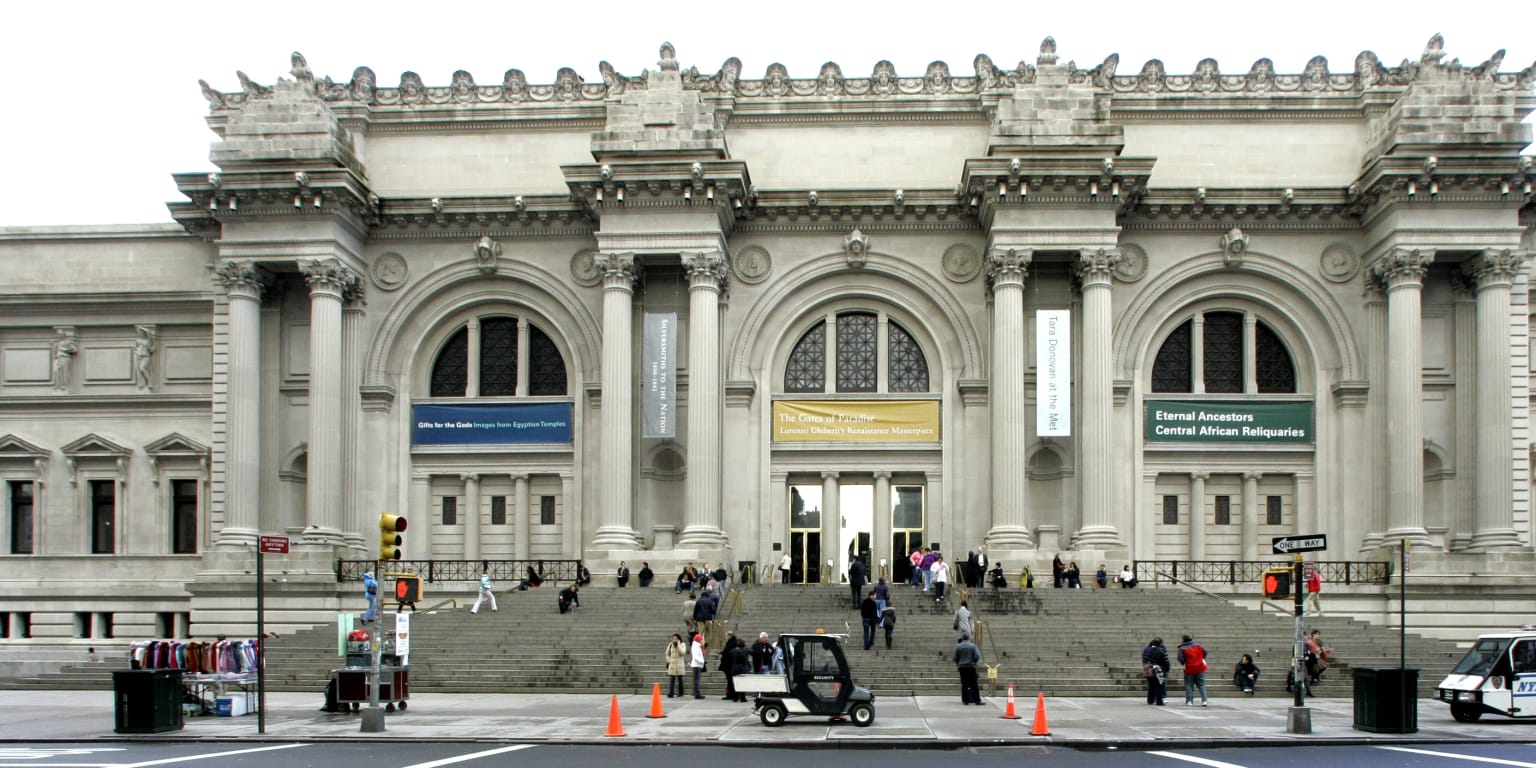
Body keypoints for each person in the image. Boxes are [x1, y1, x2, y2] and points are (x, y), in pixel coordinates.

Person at [1177, 633, 1209, 706]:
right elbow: (1205, 651)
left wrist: (1183, 662)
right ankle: (1204, 701)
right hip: (1200, 667)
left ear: (1183, 640)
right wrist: (1202, 658)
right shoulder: (1198, 646)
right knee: (1201, 685)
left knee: (1189, 685)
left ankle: (1189, 701)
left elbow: (1180, 658)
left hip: (1189, 668)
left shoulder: (1182, 648)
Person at [954, 633, 982, 704]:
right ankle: (977, 700)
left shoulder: (958, 646)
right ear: (969, 638)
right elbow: (977, 656)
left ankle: (965, 700)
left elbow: (955, 658)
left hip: (962, 667)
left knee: (964, 683)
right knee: (974, 684)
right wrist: (974, 662)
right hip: (971, 666)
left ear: (962, 638)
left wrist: (959, 663)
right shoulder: (973, 646)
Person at [1142, 637, 1170, 705]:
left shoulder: (1147, 649)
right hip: (1159, 669)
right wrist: (1167, 668)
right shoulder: (1161, 650)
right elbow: (1166, 660)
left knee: (1151, 685)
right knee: (1159, 685)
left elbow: (1144, 659)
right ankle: (1159, 701)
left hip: (1149, 669)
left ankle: (1150, 700)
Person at [665, 633, 688, 698]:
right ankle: (671, 693)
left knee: (680, 680)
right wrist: (669, 661)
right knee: (672, 680)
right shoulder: (670, 645)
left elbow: (682, 653)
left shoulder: (682, 644)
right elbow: (667, 654)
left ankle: (681, 693)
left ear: (679, 639)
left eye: (676, 638)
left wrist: (678, 645)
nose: (674, 640)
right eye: (673, 638)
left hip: (679, 665)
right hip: (672, 665)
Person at [689, 633, 707, 699]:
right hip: (697, 665)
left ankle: (697, 693)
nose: (702, 641)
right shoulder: (696, 647)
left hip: (697, 665)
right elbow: (696, 657)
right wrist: (702, 661)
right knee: (697, 680)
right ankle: (697, 694)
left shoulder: (697, 646)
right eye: (702, 639)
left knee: (696, 680)